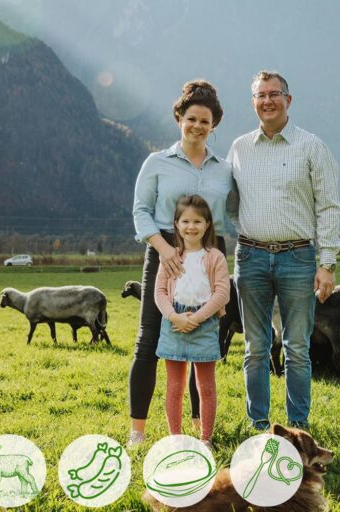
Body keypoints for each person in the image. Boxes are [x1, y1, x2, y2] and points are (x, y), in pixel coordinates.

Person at [227, 70, 340, 431]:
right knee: (256, 347)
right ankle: (258, 425)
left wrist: (327, 263)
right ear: (253, 102)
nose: (267, 101)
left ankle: (297, 427)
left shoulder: (311, 147)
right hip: (251, 257)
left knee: (296, 348)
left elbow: (328, 206)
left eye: (274, 94)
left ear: (288, 100)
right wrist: (249, 229)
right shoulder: (239, 148)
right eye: (261, 95)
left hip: (298, 257)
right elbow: (231, 203)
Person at [129, 80, 232, 447]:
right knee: (149, 339)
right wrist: (163, 248)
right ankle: (138, 431)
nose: (197, 126)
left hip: (210, 254)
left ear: (214, 125)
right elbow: (140, 210)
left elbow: (234, 215)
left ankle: (199, 429)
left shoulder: (225, 169)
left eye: (205, 120)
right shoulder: (157, 162)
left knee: (201, 337)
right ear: (179, 118)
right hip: (165, 251)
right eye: (191, 118)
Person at [154, 195, 230, 447]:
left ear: (207, 224)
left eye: (198, 221)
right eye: (185, 221)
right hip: (173, 323)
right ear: (176, 224)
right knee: (174, 387)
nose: (191, 226)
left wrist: (196, 318)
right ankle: (175, 438)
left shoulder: (215, 257)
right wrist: (174, 316)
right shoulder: (171, 257)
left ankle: (205, 439)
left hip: (204, 324)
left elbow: (222, 293)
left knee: (206, 387)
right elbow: (160, 292)